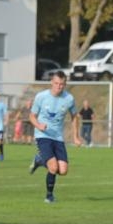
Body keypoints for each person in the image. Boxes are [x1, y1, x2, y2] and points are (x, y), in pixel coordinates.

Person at [29, 71, 81, 203]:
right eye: (57, 83)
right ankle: (49, 196)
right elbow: (32, 116)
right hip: (43, 135)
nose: (59, 87)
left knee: (63, 170)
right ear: (51, 82)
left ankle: (40, 160)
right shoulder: (41, 96)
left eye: (62, 84)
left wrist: (76, 136)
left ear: (65, 84)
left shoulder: (69, 98)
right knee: (53, 167)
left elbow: (74, 116)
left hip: (58, 137)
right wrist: (39, 125)